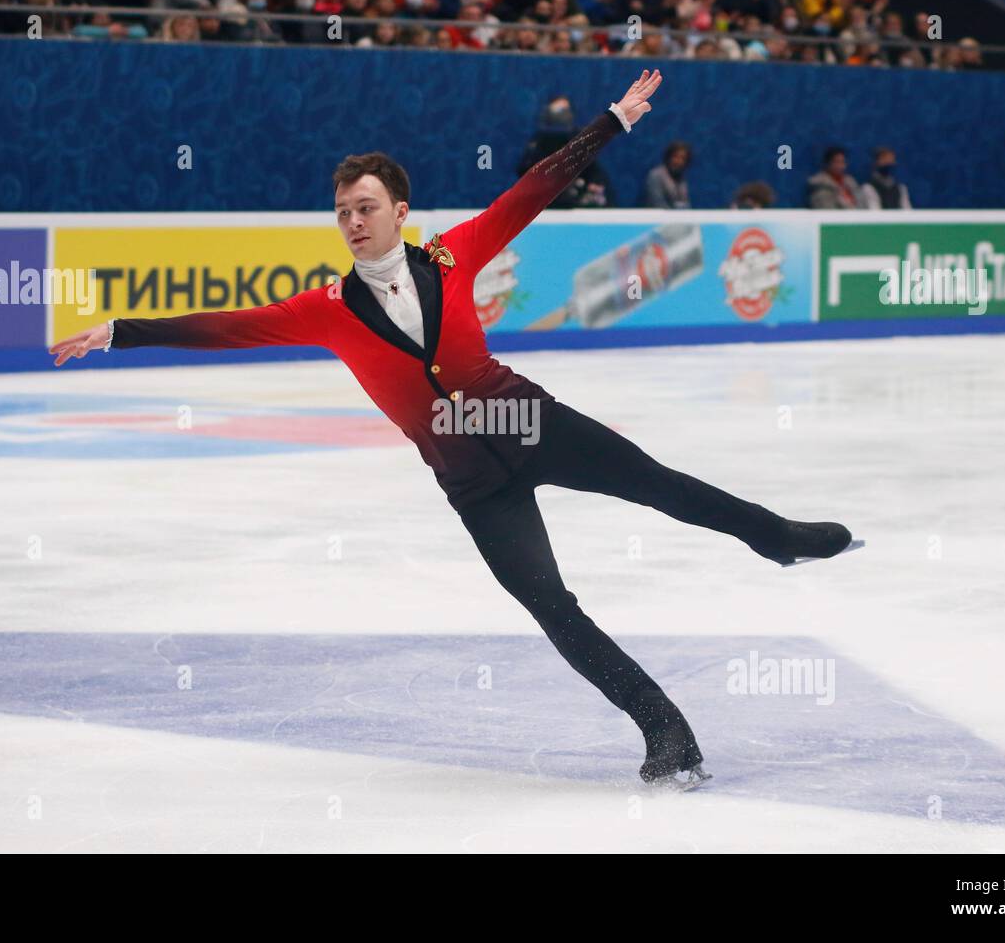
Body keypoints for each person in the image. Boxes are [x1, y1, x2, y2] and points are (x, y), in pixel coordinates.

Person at [49, 71, 855, 788]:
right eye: (342, 213)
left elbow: (532, 190)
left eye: (365, 207)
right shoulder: (324, 311)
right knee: (554, 607)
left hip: (529, 419)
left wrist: (611, 121)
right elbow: (225, 327)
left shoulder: (453, 254)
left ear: (400, 211)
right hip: (471, 482)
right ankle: (666, 733)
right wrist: (123, 331)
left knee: (662, 487)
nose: (353, 221)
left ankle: (777, 535)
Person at [516, 95, 614, 208]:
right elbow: (524, 172)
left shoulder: (579, 140)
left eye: (565, 111)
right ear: (548, 113)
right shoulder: (538, 142)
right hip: (543, 204)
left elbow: (595, 172)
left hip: (576, 203)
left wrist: (593, 186)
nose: (561, 116)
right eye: (557, 111)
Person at [642, 141, 691, 209]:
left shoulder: (681, 178)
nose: (679, 161)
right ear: (668, 157)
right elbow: (657, 204)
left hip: (678, 218)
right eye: (675, 156)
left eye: (683, 158)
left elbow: (685, 203)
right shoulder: (656, 175)